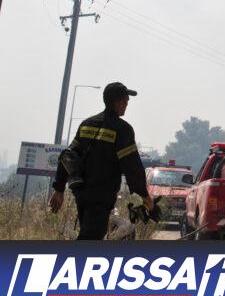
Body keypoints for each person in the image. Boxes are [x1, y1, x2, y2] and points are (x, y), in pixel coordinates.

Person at [49, 82, 154, 240]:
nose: (126, 105)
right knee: (91, 238)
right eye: (125, 102)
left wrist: (59, 189)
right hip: (101, 196)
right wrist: (145, 196)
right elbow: (132, 166)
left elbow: (68, 156)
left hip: (81, 194)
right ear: (118, 103)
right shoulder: (122, 129)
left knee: (89, 234)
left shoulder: (87, 124)